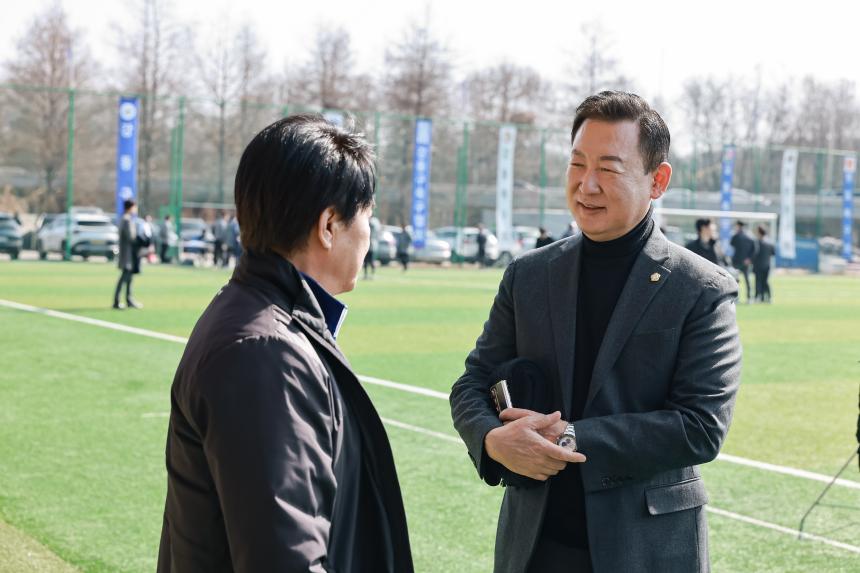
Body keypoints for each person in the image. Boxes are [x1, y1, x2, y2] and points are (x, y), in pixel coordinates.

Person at [450, 91, 741, 573]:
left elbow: (700, 426)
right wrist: (491, 441)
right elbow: (472, 383)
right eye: (577, 164)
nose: (587, 184)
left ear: (658, 180)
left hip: (645, 551)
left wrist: (569, 438)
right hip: (535, 548)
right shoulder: (529, 275)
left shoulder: (701, 289)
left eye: (608, 168)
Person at [157, 115, 413, 572]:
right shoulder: (265, 353)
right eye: (369, 217)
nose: (370, 235)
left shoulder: (259, 324)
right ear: (329, 225)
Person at [113, 199, 142, 309]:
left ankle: (129, 299)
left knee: (129, 278)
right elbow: (131, 237)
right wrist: (142, 240)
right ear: (131, 207)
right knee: (124, 277)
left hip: (127, 253)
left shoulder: (124, 219)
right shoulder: (127, 220)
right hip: (127, 254)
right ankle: (117, 301)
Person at [730, 220, 756, 303]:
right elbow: (755, 249)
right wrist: (749, 258)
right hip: (745, 262)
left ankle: (736, 298)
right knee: (746, 280)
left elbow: (732, 244)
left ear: (738, 226)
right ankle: (749, 298)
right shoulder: (750, 236)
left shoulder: (736, 236)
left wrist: (749, 258)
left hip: (737, 261)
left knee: (736, 280)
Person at [753, 225, 775, 302]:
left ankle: (758, 297)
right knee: (765, 281)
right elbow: (773, 253)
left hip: (758, 265)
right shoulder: (770, 242)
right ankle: (768, 297)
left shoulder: (756, 243)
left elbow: (754, 254)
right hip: (767, 265)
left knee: (758, 282)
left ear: (759, 232)